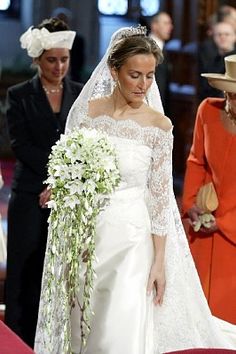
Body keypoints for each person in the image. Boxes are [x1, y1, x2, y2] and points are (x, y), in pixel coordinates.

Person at [35, 26, 236, 354]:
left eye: (149, 76)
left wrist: (159, 261)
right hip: (87, 235)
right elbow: (73, 167)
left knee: (120, 326)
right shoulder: (90, 113)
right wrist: (60, 186)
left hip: (132, 240)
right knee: (83, 319)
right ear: (114, 71)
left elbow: (159, 197)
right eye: (135, 75)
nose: (144, 85)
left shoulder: (159, 126)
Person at [5, 17, 83, 347]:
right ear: (38, 59)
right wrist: (52, 177)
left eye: (64, 59)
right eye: (51, 59)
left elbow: (83, 143)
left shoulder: (80, 94)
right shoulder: (20, 94)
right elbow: (20, 144)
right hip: (28, 194)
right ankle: (15, 342)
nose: (59, 66)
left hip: (67, 197)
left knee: (58, 273)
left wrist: (63, 183)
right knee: (24, 270)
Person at [182, 54, 236, 325]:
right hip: (202, 232)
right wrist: (191, 206)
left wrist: (226, 223)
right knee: (196, 320)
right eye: (230, 94)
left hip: (232, 240)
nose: (231, 102)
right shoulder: (208, 110)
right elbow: (196, 161)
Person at [198, 21, 236, 100]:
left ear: (234, 37)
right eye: (219, 34)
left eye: (227, 34)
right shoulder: (212, 61)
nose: (223, 37)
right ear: (214, 37)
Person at [52, 7, 86, 82]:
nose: (61, 23)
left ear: (68, 22)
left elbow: (80, 62)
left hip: (72, 78)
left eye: (64, 20)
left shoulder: (78, 40)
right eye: (58, 20)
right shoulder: (48, 40)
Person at [149, 11, 173, 114]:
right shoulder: (147, 48)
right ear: (154, 25)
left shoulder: (164, 48)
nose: (170, 27)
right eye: (166, 23)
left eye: (170, 23)